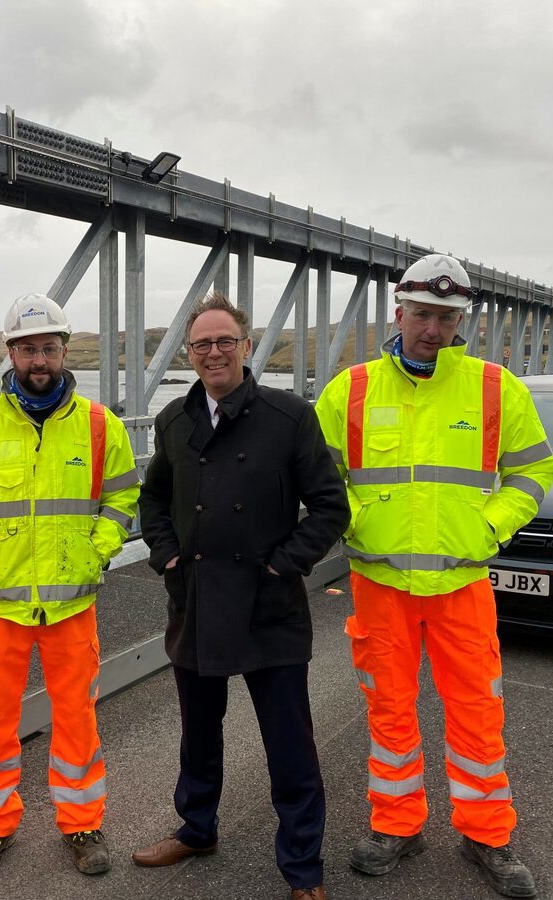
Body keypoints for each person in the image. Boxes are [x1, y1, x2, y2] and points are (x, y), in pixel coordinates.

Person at [314, 254, 553, 899]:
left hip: (462, 584)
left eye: (446, 317)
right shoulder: (351, 390)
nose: (431, 327)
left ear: (460, 322)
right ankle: (397, 824)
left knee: (478, 713)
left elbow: (536, 473)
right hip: (380, 583)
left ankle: (487, 835)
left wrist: (487, 528)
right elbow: (319, 479)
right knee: (389, 710)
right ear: (399, 312)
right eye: (421, 313)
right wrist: (357, 522)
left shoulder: (494, 388)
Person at [134, 292, 350, 900]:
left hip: (270, 608)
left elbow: (331, 505)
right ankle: (196, 828)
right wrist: (167, 554)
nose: (213, 352)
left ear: (246, 346)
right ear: (189, 354)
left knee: (290, 746)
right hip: (197, 601)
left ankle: (303, 871)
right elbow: (153, 499)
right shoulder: (175, 419)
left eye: (224, 340)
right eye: (201, 344)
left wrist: (285, 566)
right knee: (198, 734)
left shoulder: (289, 417)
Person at [0, 293, 140, 880]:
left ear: (65, 350)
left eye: (48, 348)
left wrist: (97, 549)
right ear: (10, 353)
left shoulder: (101, 426)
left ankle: (82, 824)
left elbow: (123, 497)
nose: (38, 360)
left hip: (72, 605)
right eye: (26, 349)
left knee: (78, 719)